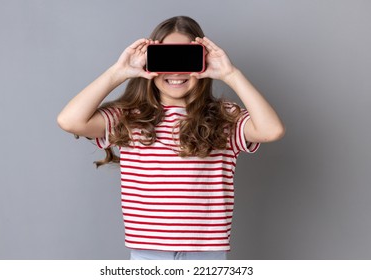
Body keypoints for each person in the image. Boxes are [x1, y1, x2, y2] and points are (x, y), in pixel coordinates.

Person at [57, 16, 285, 260]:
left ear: (203, 63)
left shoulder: (224, 117)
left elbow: (271, 130)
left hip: (206, 255)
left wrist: (230, 74)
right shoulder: (127, 116)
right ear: (149, 64)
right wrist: (118, 72)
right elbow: (70, 121)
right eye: (166, 59)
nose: (176, 70)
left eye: (186, 59)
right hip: (147, 255)